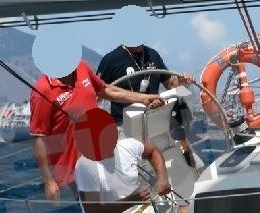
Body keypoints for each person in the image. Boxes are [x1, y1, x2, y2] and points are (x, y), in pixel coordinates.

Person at [29, 59, 167, 200]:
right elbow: (38, 137)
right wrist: (48, 181)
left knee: (125, 194)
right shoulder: (43, 89)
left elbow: (104, 90)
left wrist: (143, 98)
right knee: (102, 207)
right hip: (74, 168)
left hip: (102, 150)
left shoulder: (81, 66)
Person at [73, 109, 189, 213]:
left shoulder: (127, 146)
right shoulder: (85, 166)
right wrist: (132, 199)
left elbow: (153, 151)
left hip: (143, 210)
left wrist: (162, 179)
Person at [97, 43, 193, 124]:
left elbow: (170, 84)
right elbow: (97, 92)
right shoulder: (110, 60)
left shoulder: (153, 55)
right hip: (124, 125)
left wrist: (182, 83)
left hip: (153, 121)